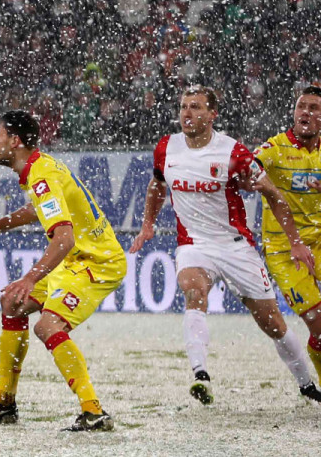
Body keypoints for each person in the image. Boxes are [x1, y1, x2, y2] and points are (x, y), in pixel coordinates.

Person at [130, 86, 321, 404]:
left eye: (195, 107)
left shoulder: (233, 152)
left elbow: (273, 195)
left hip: (235, 246)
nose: (187, 114)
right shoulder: (167, 148)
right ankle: (200, 375)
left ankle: (307, 385)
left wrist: (294, 241)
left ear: (212, 114)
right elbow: (157, 182)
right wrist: (148, 224)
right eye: (183, 107)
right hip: (194, 244)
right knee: (193, 290)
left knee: (272, 323)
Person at [0, 110, 125, 432]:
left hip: (96, 262)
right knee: (12, 302)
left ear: (15, 141)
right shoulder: (40, 168)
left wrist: (31, 277)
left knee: (47, 326)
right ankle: (4, 403)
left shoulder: (42, 173)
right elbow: (41, 208)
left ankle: (94, 411)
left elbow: (63, 239)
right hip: (75, 261)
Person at [254, 86, 321, 383]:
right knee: (319, 325)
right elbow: (248, 167)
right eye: (301, 106)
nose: (305, 112)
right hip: (284, 251)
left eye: (314, 108)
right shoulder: (274, 148)